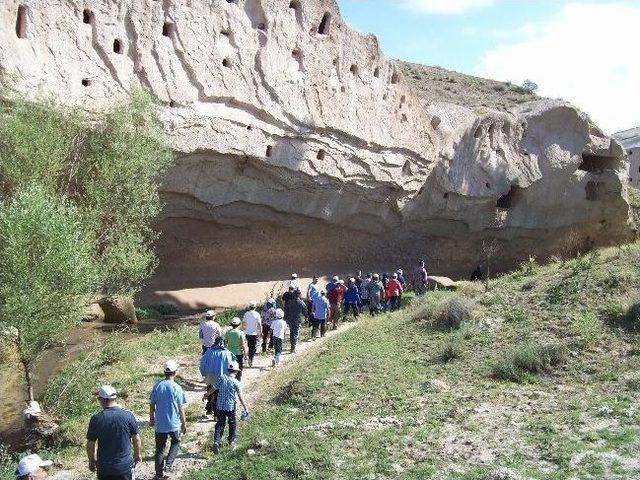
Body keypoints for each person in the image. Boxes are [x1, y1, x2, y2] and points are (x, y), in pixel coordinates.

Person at [86, 385, 141, 480]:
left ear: (104, 400)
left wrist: (91, 461)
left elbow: (90, 443)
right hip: (124, 467)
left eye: (99, 399)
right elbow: (136, 438)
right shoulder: (128, 416)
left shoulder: (96, 419)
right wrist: (137, 454)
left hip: (104, 468)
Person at [149, 360, 187, 479]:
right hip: (173, 423)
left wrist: (151, 418)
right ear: (175, 373)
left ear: (164, 373)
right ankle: (169, 465)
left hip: (160, 423)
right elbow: (181, 409)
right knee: (176, 441)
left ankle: (159, 474)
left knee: (159, 449)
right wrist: (184, 424)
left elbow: (152, 404)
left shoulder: (158, 386)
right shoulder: (177, 388)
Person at [213, 361, 249, 453]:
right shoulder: (236, 382)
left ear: (228, 370)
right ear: (236, 371)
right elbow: (240, 396)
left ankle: (217, 441)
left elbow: (214, 388)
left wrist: (206, 394)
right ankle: (231, 440)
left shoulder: (222, 378)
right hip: (230, 407)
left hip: (220, 406)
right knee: (232, 423)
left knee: (220, 424)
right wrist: (245, 407)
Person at [200, 337, 235, 415]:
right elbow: (232, 364)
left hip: (210, 375)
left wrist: (203, 373)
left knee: (210, 391)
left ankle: (209, 408)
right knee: (218, 394)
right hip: (222, 376)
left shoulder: (209, 351)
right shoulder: (227, 353)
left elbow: (202, 362)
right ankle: (216, 413)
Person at [242, 301, 261, 367]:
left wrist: (243, 330)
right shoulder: (257, 314)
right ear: (255, 307)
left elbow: (243, 323)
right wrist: (260, 332)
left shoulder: (246, 314)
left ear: (249, 307)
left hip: (247, 333)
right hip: (254, 333)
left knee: (249, 346)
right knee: (253, 347)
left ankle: (248, 357)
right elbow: (259, 324)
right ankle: (251, 359)